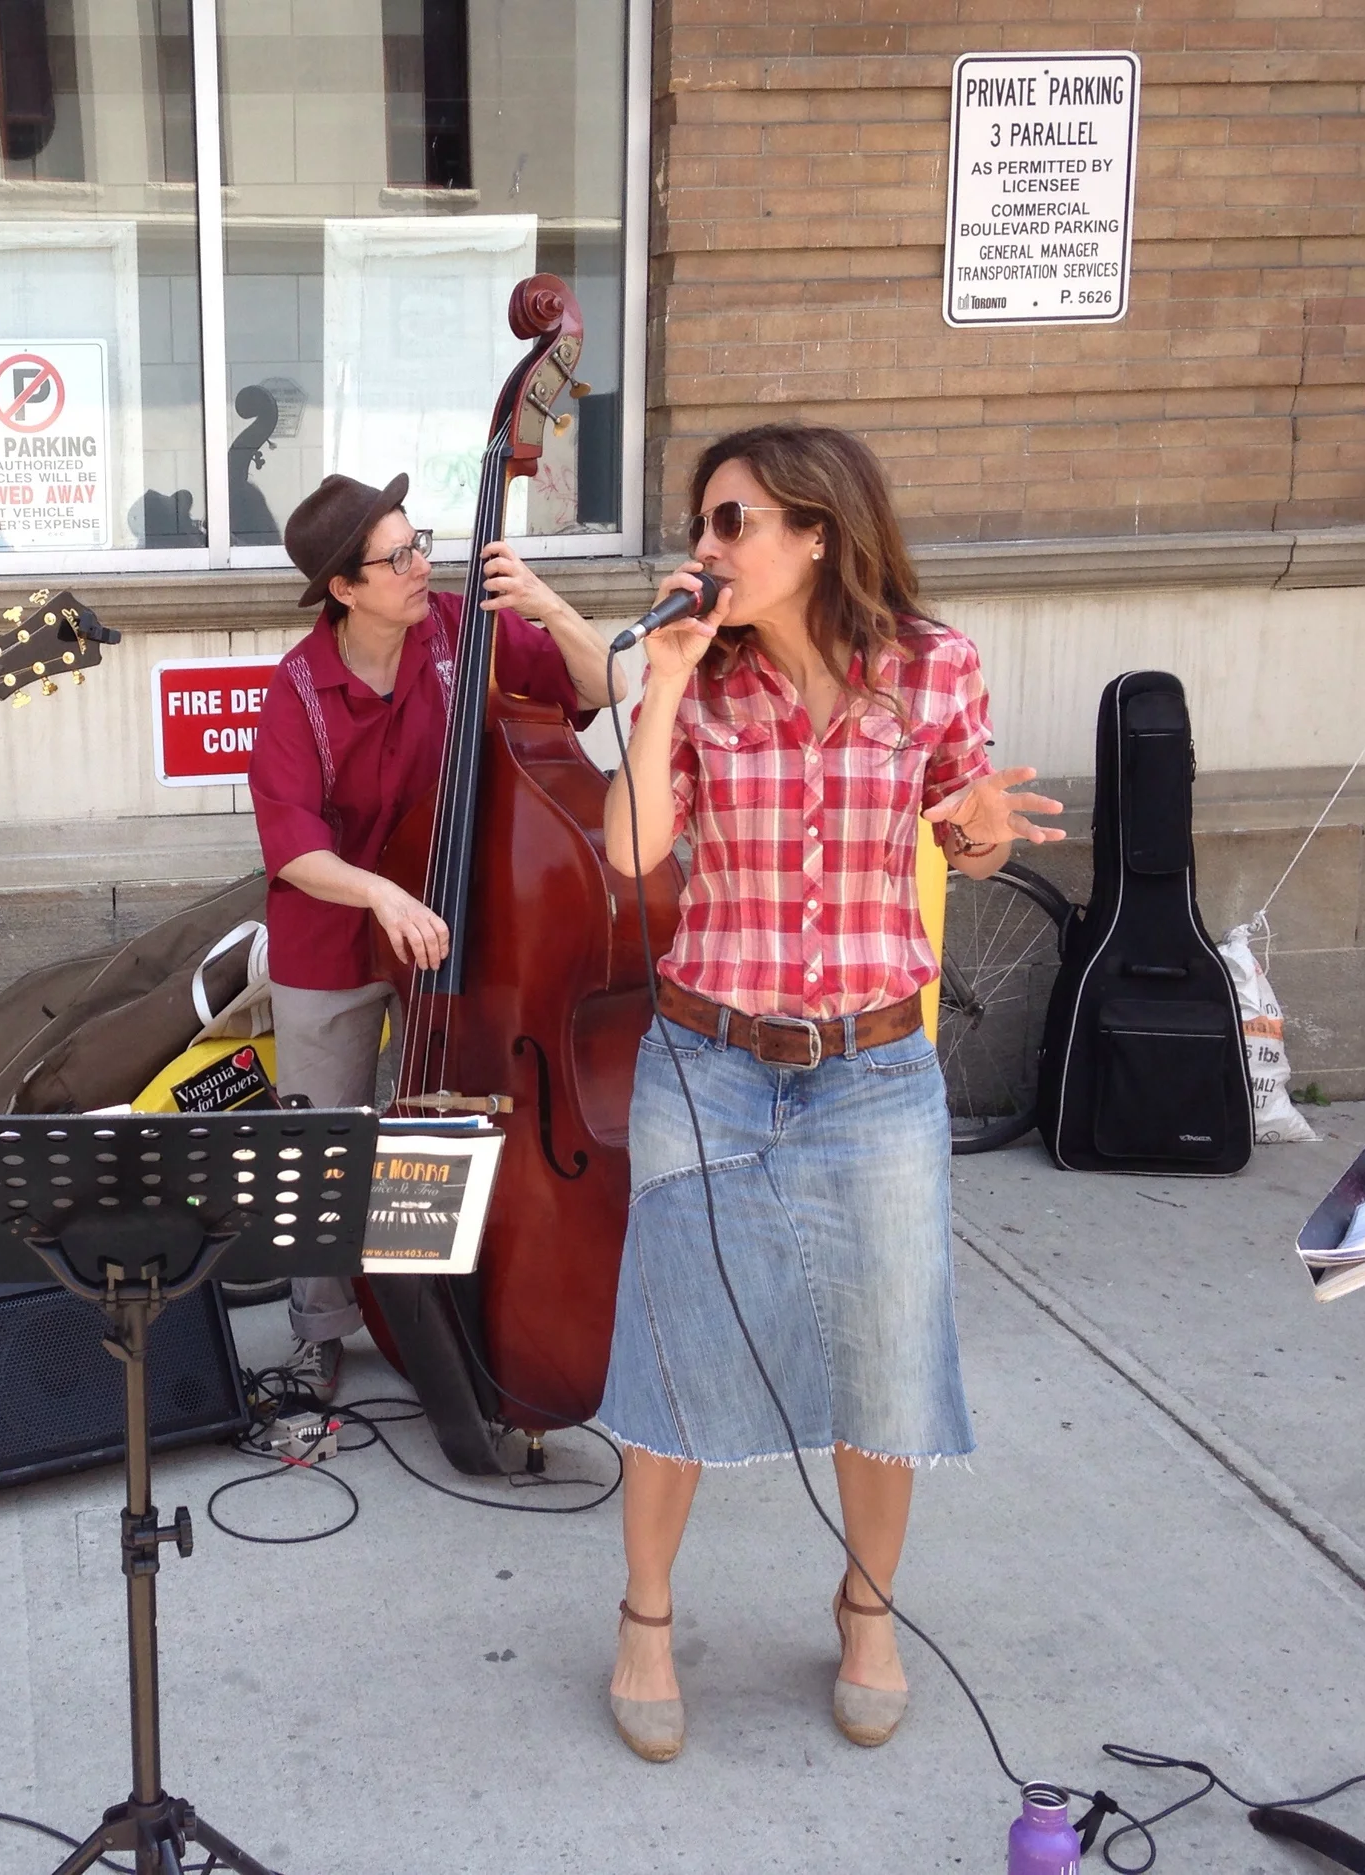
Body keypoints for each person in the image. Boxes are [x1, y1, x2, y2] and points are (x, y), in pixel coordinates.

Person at [596, 423, 1064, 1763]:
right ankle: (645, 1615)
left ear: (816, 531)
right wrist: (663, 687)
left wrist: (977, 833)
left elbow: (966, 832)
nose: (705, 548)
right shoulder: (693, 674)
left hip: (871, 1071)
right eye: (702, 525)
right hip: (706, 1060)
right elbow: (632, 853)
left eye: (731, 523)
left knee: (886, 1349)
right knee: (675, 1340)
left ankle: (867, 1607)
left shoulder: (933, 663)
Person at [246, 471, 619, 1397]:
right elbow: (292, 846)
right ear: (344, 588)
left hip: (455, 929)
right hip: (334, 931)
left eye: (421, 545)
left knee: (432, 1123)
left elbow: (598, 686)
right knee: (322, 1143)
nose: (423, 566)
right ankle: (321, 1328)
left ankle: (431, 1313)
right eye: (398, 556)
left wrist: (546, 603)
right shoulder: (295, 689)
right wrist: (379, 893)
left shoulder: (462, 628)